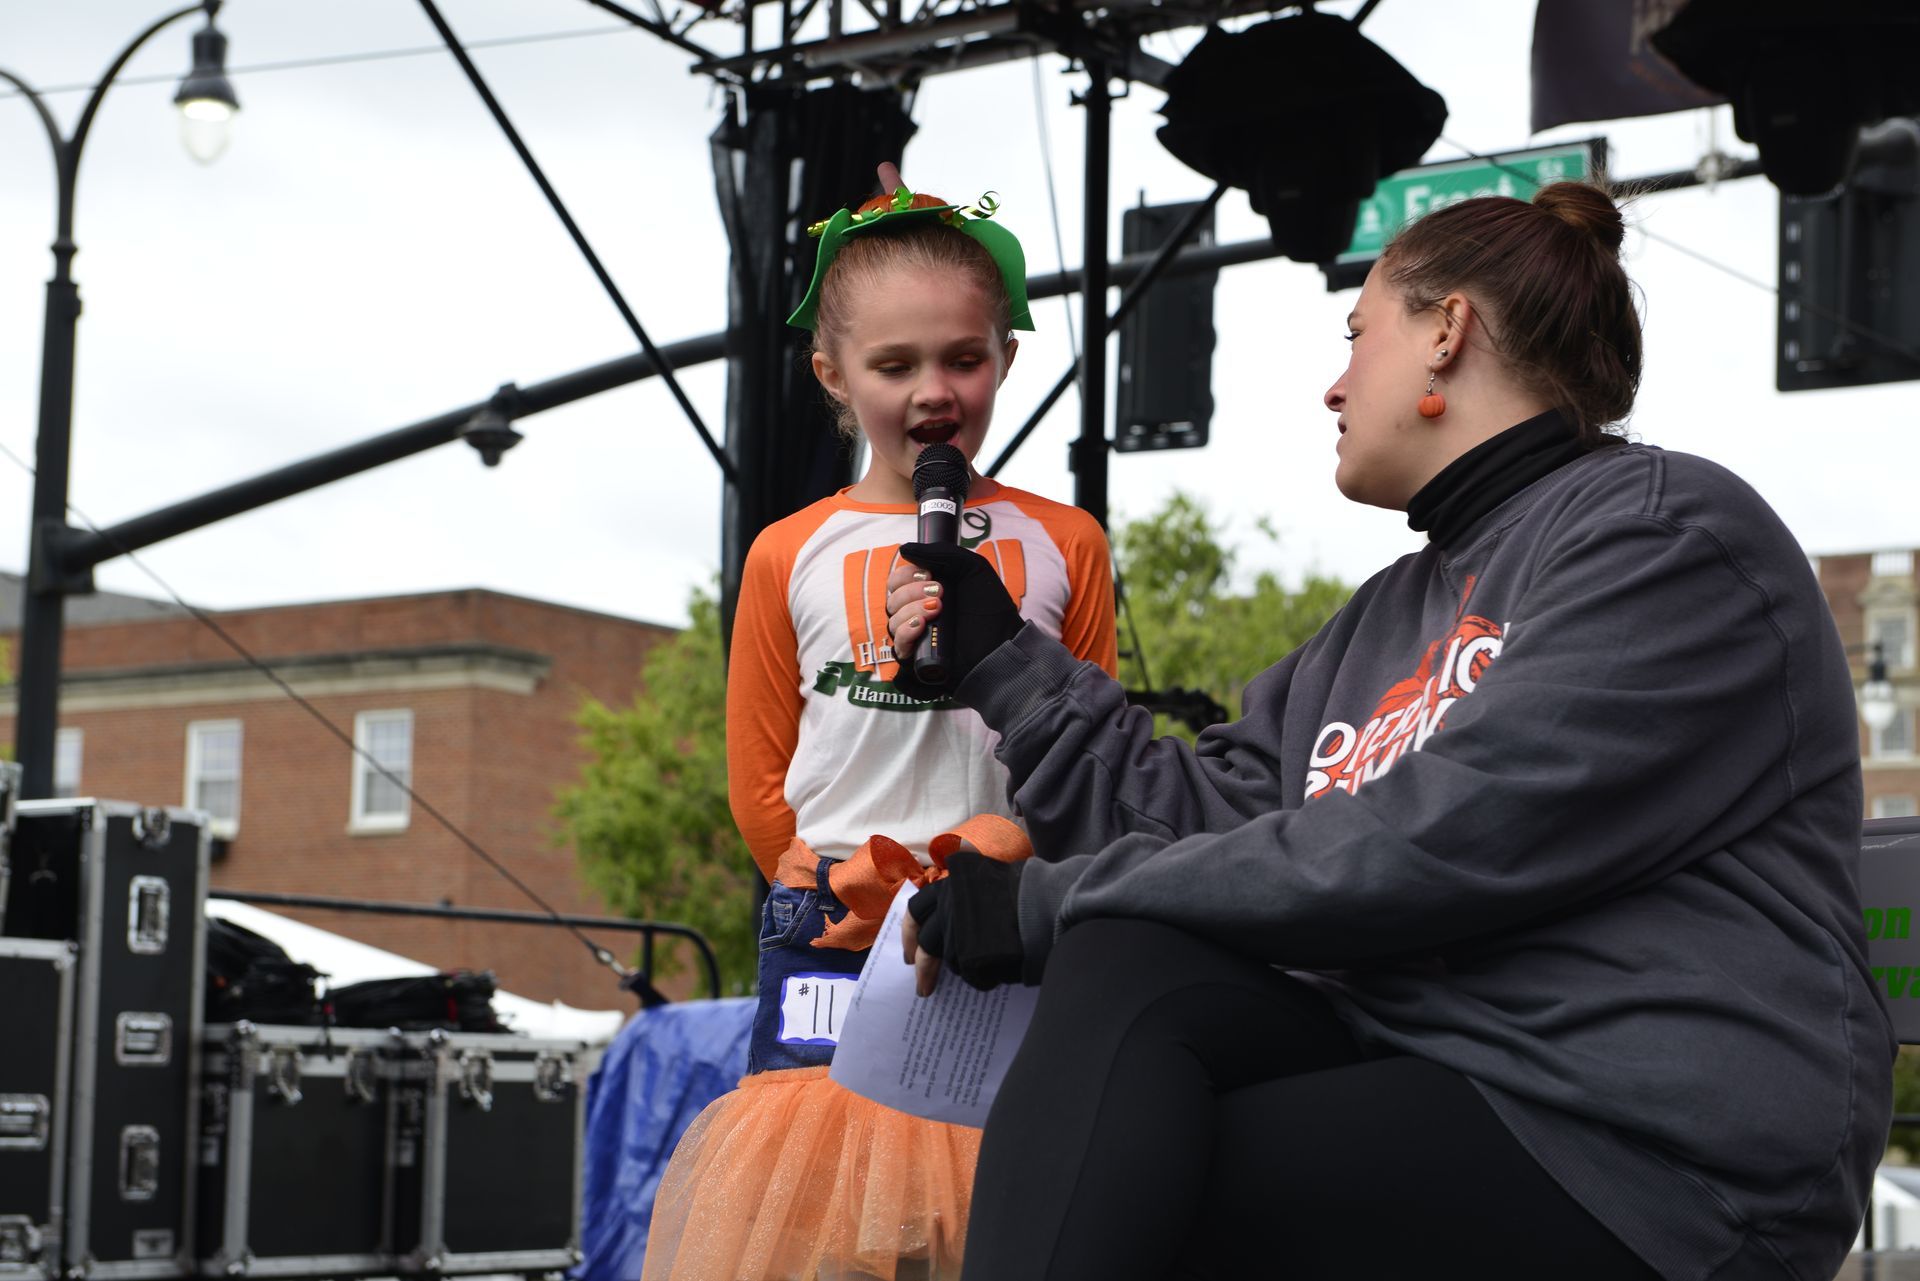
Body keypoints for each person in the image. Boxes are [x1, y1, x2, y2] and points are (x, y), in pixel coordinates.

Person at [882, 180, 1895, 1280]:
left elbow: (1439, 841)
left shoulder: (1668, 538)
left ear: (1448, 331)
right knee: (1129, 976)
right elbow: (1203, 828)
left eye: (1358, 334)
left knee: (1131, 1179)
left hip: (1646, 1147)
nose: (1333, 383)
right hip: (1428, 1067)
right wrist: (1007, 667)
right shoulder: (1386, 616)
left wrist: (1047, 901)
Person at [639, 163, 1118, 1281]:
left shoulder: (1066, 542)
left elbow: (1096, 753)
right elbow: (761, 767)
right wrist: (818, 879)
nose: (933, 389)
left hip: (997, 908)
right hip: (838, 918)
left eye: (963, 357)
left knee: (990, 1211)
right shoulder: (787, 550)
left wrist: (1011, 860)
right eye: (894, 364)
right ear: (833, 373)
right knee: (825, 1235)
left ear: (1005, 356)